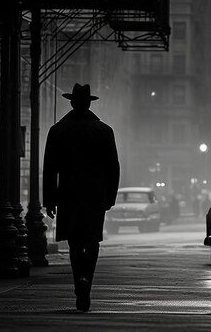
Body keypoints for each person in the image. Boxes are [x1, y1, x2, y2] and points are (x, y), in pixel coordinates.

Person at [43, 83, 120, 312]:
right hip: (95, 195)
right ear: (88, 103)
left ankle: (79, 282)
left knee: (75, 242)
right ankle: (88, 279)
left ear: (72, 102)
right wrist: (110, 197)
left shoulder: (57, 131)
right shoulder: (104, 131)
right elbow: (113, 168)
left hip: (68, 194)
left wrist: (49, 200)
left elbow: (50, 169)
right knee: (93, 240)